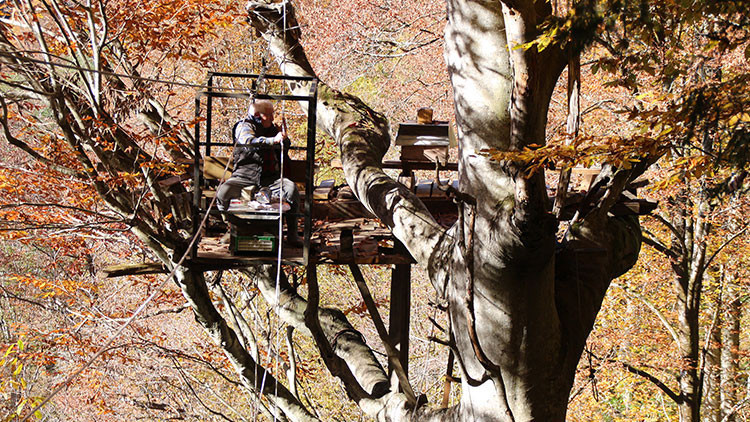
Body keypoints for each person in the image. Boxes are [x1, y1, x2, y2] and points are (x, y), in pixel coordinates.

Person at [216, 100, 302, 246]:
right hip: (244, 176)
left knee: (291, 190)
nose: (272, 118)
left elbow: (284, 148)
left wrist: (283, 137)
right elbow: (249, 141)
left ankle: (292, 234)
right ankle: (231, 228)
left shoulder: (272, 129)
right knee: (223, 193)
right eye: (269, 115)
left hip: (271, 178)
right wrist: (272, 140)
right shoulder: (243, 126)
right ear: (257, 115)